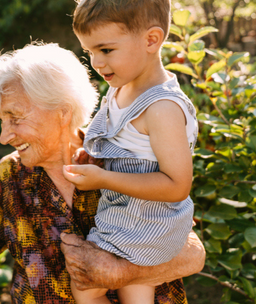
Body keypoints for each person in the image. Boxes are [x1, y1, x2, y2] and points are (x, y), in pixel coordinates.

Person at [0, 42, 205, 304]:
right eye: (1, 120)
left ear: (62, 111)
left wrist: (120, 272)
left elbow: (193, 253)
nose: (4, 136)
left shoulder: (121, 160)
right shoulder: (8, 180)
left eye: (15, 116)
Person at [62, 1, 199, 303]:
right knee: (135, 295)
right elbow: (123, 143)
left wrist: (103, 178)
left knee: (86, 287)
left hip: (149, 221)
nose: (97, 62)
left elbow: (177, 186)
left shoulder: (161, 108)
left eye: (106, 50)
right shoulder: (121, 86)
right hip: (126, 213)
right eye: (89, 52)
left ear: (151, 40)